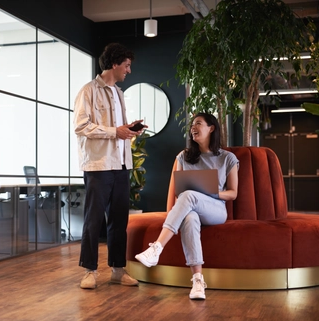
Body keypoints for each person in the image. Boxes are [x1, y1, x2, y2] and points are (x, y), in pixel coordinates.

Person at [135, 112, 239, 300]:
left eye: (198, 123)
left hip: (216, 209)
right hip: (191, 207)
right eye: (192, 124)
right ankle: (198, 281)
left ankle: (157, 247)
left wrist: (211, 193)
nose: (193, 127)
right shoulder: (183, 156)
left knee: (190, 195)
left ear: (211, 128)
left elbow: (233, 193)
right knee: (189, 218)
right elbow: (177, 192)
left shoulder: (227, 158)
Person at [73, 43, 146, 289]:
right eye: (126, 65)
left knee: (118, 220)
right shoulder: (88, 91)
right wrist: (115, 131)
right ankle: (89, 271)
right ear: (114, 63)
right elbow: (81, 126)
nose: (129, 71)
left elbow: (117, 130)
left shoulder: (119, 93)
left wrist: (129, 128)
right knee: (93, 221)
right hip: (98, 165)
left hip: (122, 164)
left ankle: (118, 269)